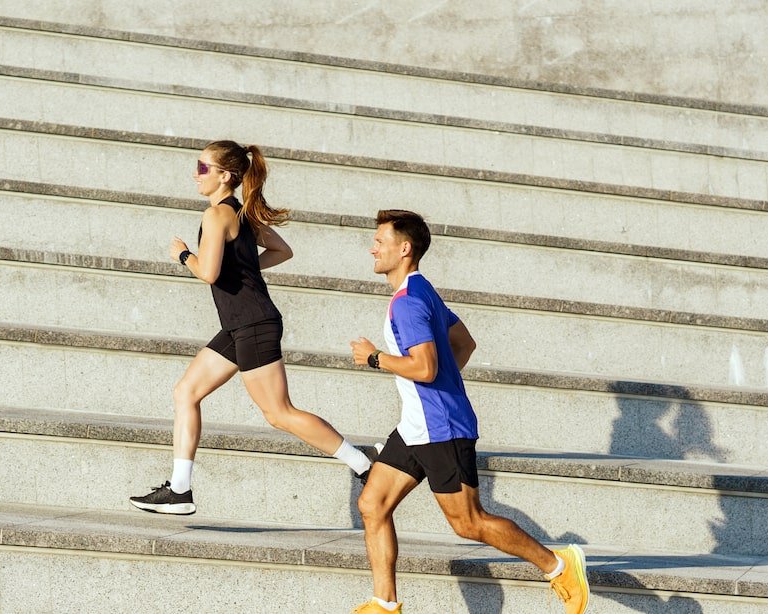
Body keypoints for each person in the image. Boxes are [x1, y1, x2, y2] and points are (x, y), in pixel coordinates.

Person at [349, 210, 589, 614]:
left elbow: (425, 367)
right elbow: (464, 343)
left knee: (468, 522)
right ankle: (384, 604)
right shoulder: (421, 290)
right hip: (417, 424)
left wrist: (375, 358)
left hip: (441, 427)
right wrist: (441, 386)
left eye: (380, 240)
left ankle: (560, 565)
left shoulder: (407, 303)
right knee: (373, 504)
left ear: (404, 249)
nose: (372, 247)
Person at [129, 140, 373, 515]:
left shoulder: (216, 216)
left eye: (203, 168)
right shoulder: (241, 213)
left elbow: (208, 272)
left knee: (278, 413)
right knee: (186, 392)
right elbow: (281, 251)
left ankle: (362, 463)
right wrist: (244, 270)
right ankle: (179, 489)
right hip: (239, 325)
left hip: (253, 323)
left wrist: (183, 254)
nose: (196, 174)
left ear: (225, 176)